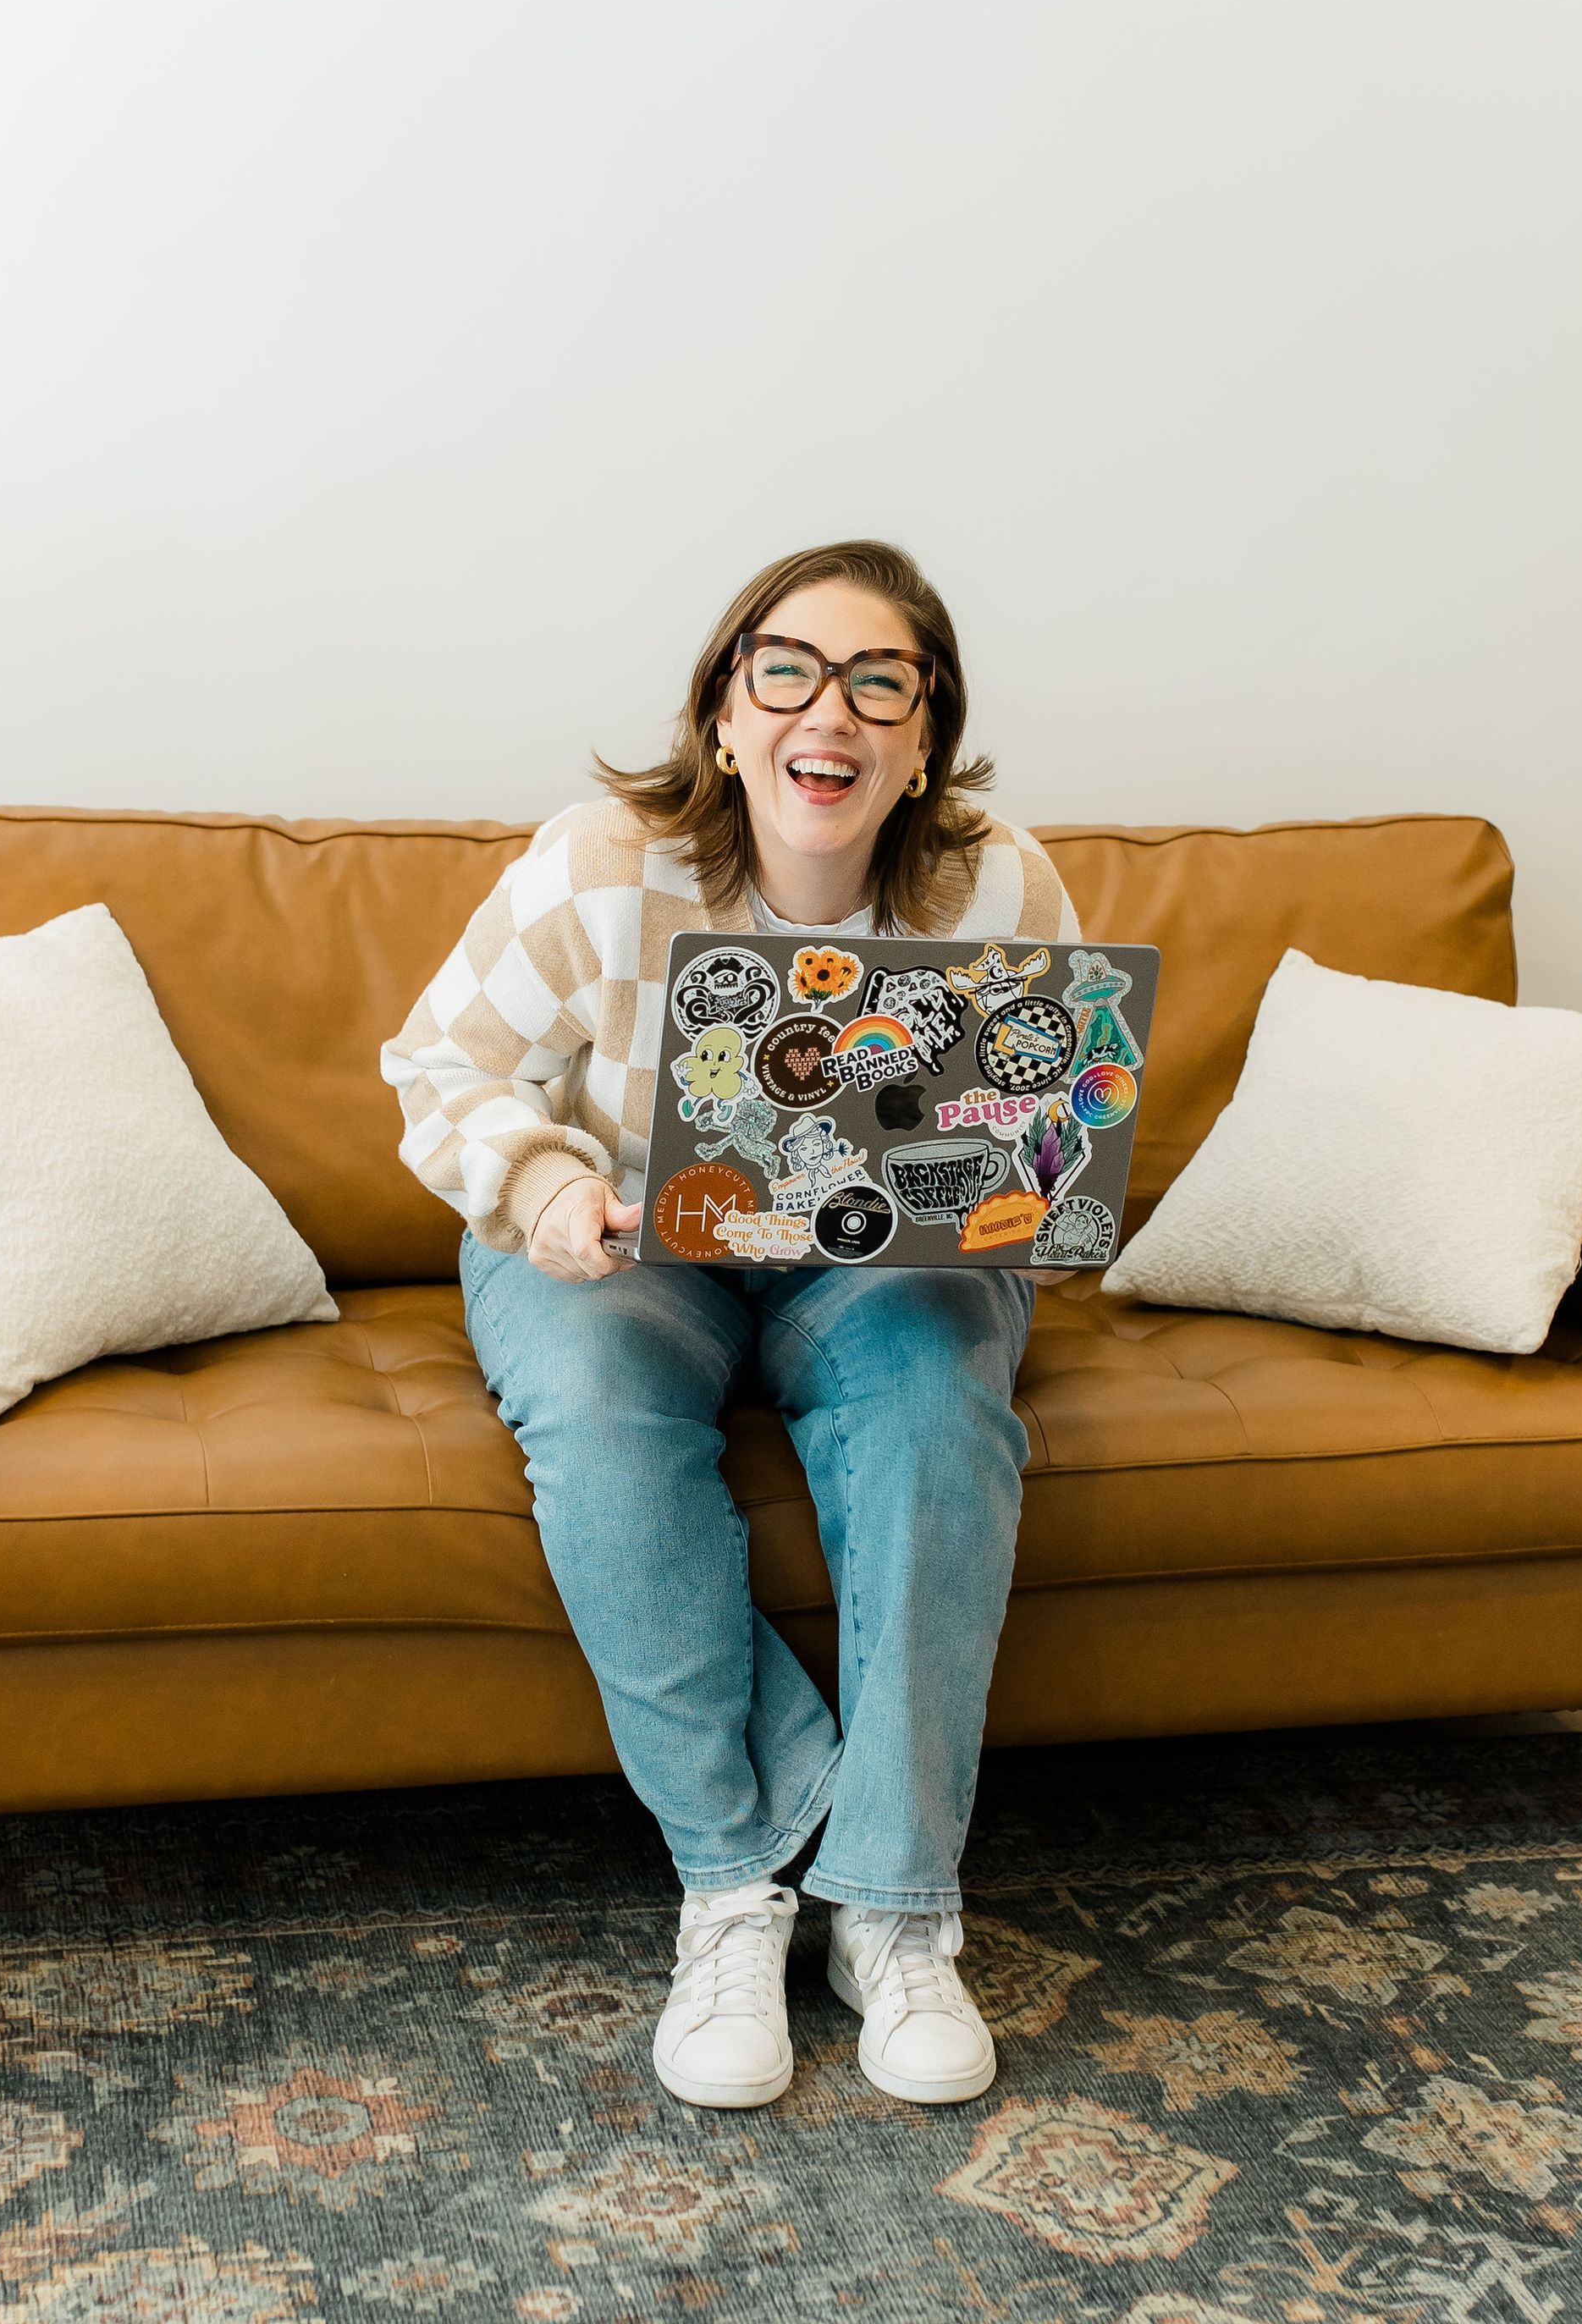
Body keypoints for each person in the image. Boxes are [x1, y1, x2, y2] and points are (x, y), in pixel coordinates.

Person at [379, 540, 1081, 2111]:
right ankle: (737, 1883)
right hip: (620, 1239)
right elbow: (439, 1067)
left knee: (937, 1411)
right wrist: (549, 1188)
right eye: (789, 670)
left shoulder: (1001, 883)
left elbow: (1043, 1125)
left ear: (920, 741)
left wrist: (1024, 1182)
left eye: (878, 681)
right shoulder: (597, 864)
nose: (828, 710)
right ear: (724, 713)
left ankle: (894, 1911)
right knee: (602, 1421)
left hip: (867, 1263)